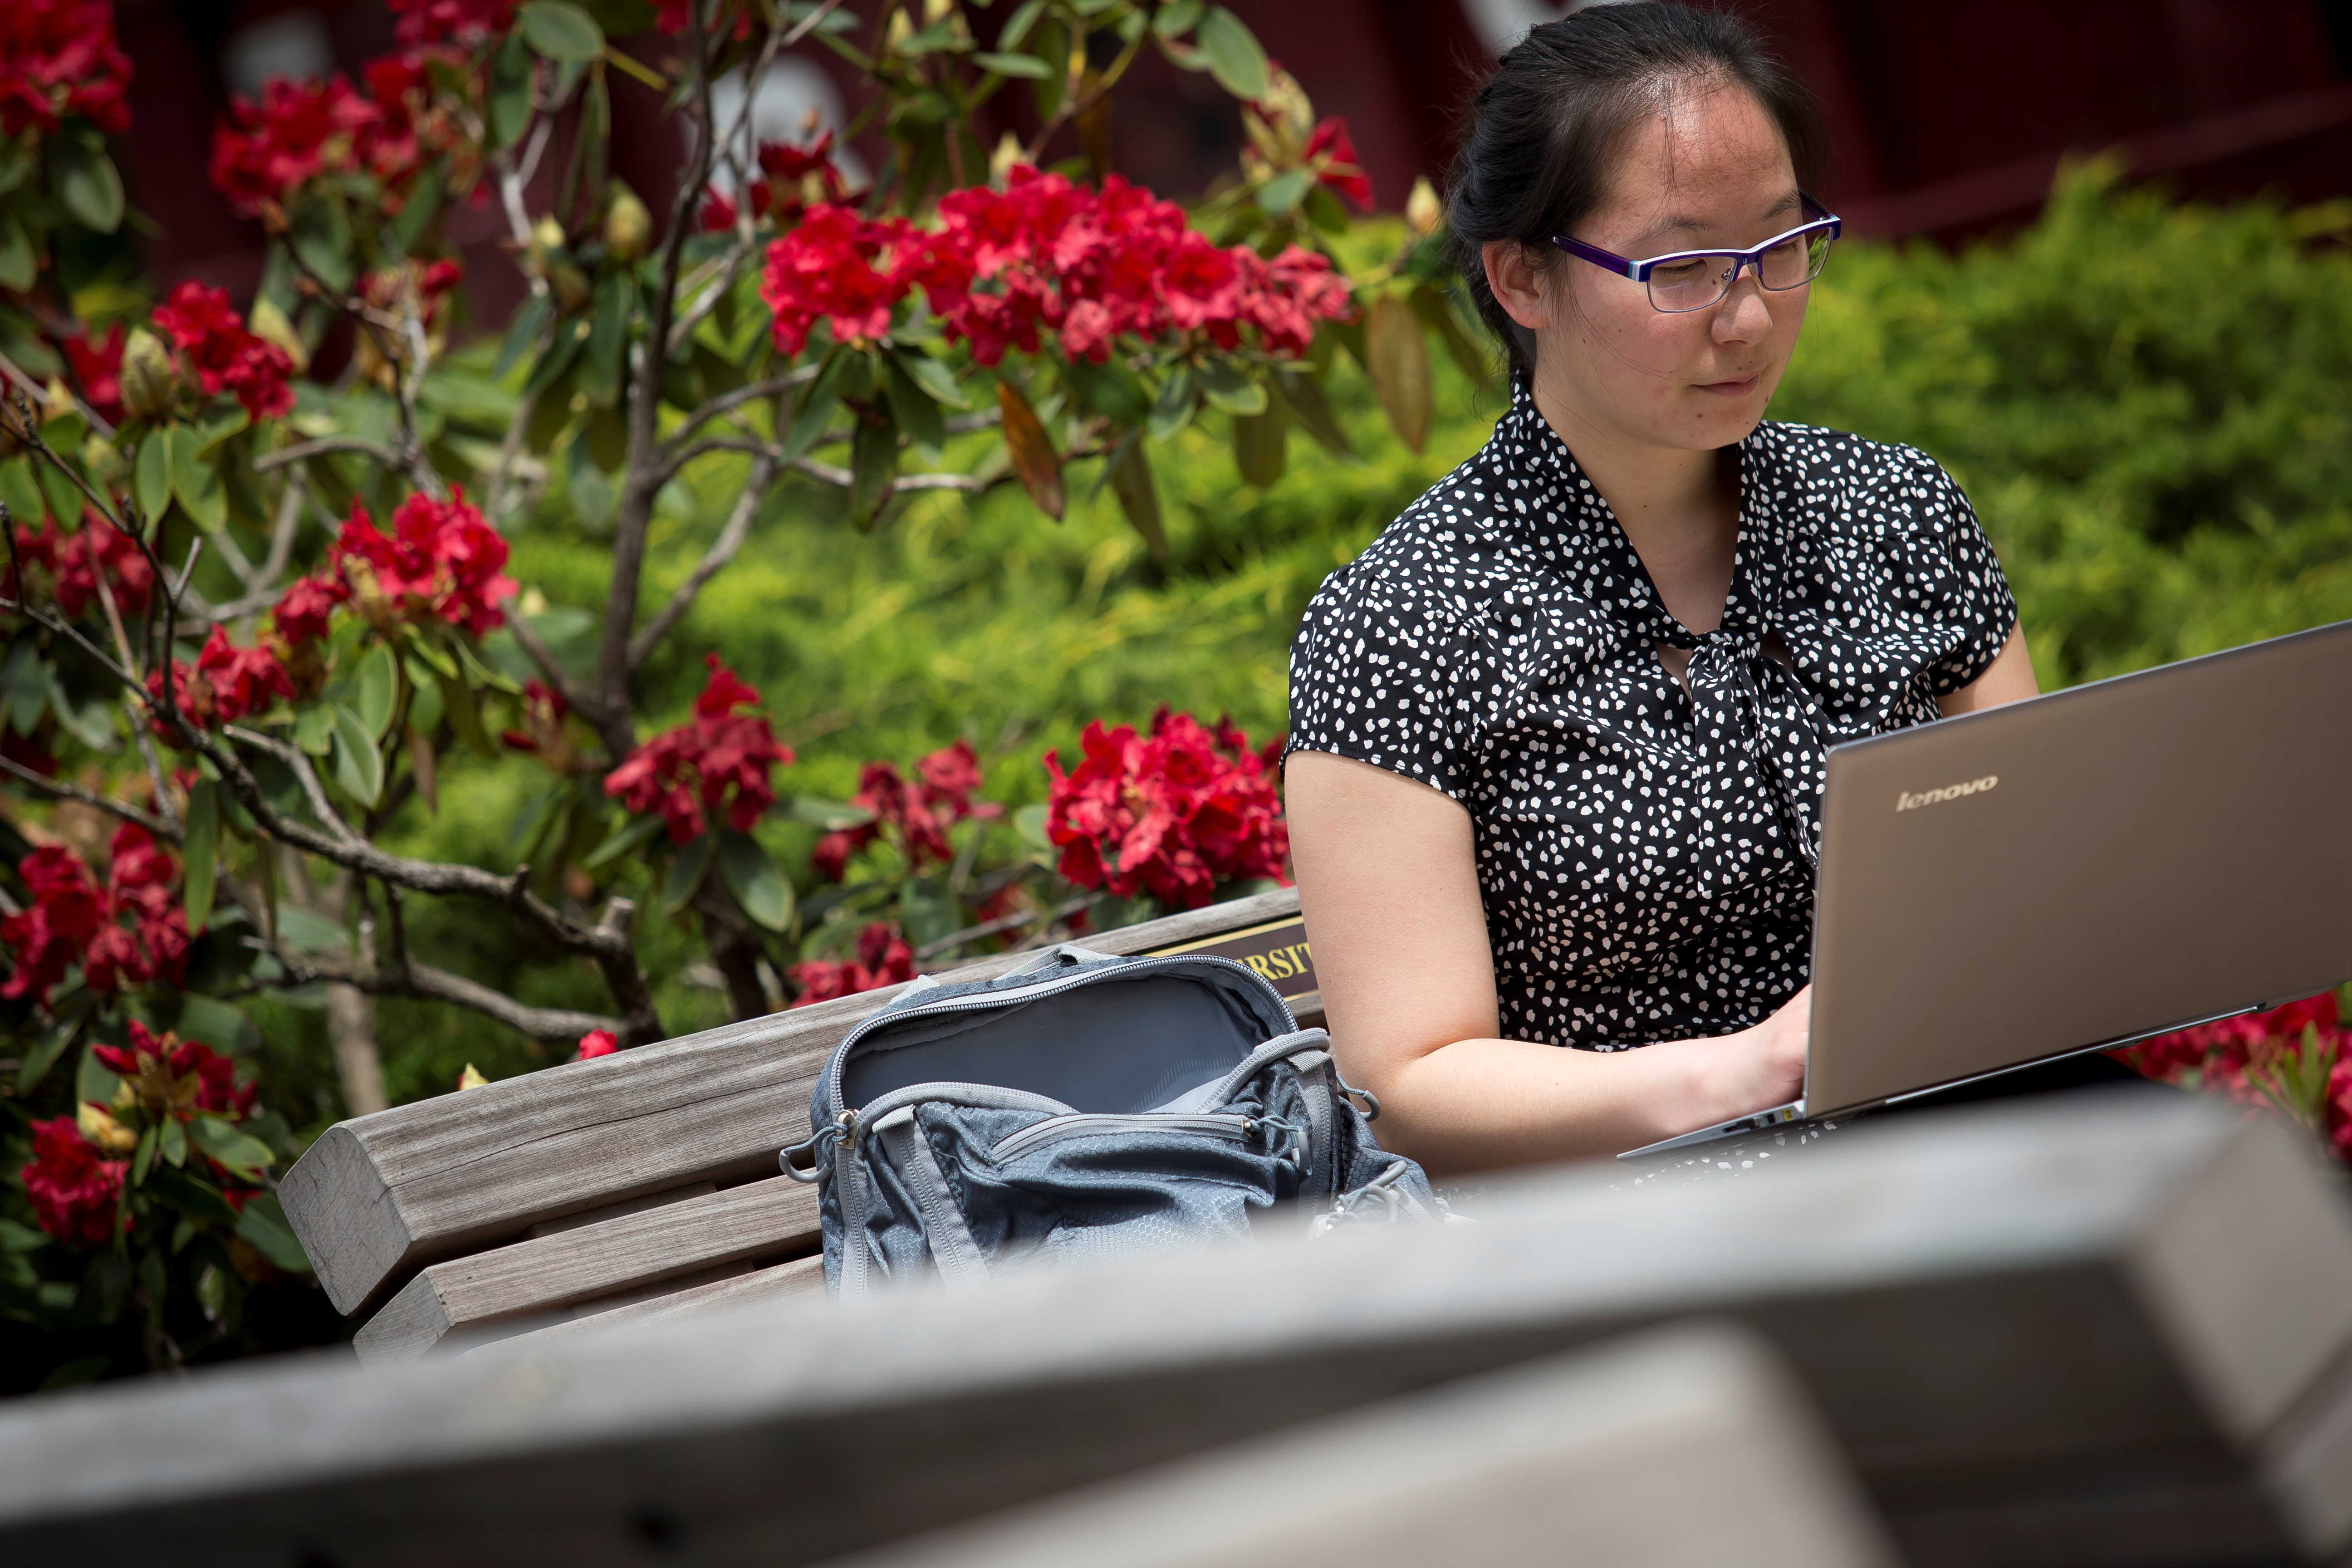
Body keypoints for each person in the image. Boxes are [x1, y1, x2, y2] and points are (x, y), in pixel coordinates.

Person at [1283, 2, 2044, 1177]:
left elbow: (2044, 863)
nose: (1749, 317)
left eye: (1782, 246)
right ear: (1522, 279)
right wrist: (1749, 1069)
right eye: (1682, 269)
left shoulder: (1893, 510)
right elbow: (1410, 1083)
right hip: (1667, 1208)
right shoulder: (1403, 623)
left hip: (1985, 1128)